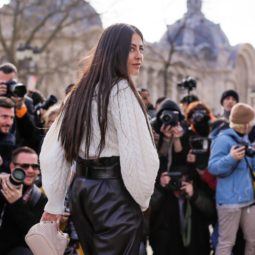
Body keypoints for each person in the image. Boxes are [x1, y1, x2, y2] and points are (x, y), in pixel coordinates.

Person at [40, 23, 159, 255]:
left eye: (141, 49)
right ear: (115, 50)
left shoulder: (80, 91)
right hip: (115, 193)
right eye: (131, 48)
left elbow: (53, 149)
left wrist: (54, 201)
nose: (139, 56)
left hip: (82, 191)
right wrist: (143, 197)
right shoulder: (122, 90)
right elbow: (138, 153)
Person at [209, 103, 255, 255]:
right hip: (229, 202)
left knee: (253, 240)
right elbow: (213, 168)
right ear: (245, 123)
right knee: (226, 243)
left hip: (248, 200)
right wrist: (231, 158)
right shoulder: (223, 140)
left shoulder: (245, 139)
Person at [0, 146, 47, 255]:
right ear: (12, 167)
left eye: (35, 166)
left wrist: (17, 203)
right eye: (24, 166)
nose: (30, 170)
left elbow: (35, 235)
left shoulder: (39, 198)